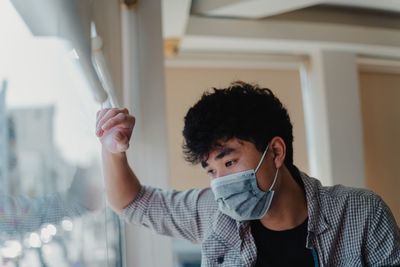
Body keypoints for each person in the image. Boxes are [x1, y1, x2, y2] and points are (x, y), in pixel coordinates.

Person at [96, 81, 400, 266]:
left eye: (229, 163)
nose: (221, 183)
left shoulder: (362, 213)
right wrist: (113, 149)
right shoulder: (213, 214)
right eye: (212, 171)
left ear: (276, 153)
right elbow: (130, 202)